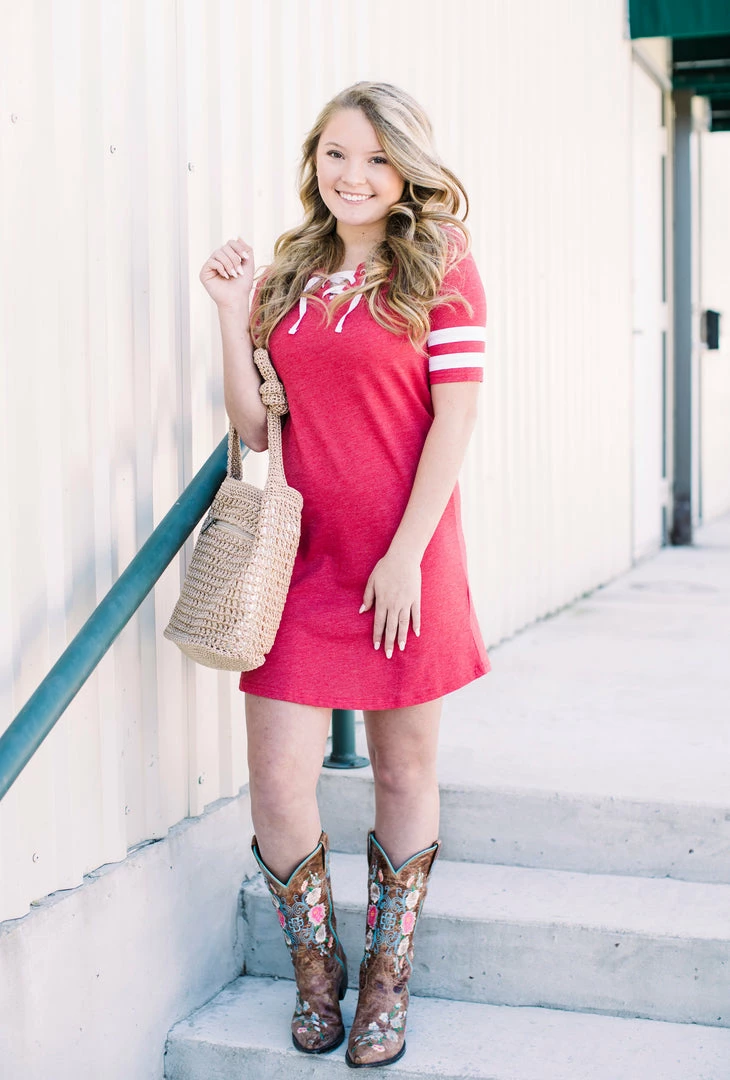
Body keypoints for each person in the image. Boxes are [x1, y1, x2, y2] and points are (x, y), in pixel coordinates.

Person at [199, 81, 490, 1069]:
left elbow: (455, 417)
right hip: (299, 565)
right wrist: (232, 314)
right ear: (313, 161)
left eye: (373, 157)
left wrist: (405, 555)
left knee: (402, 772)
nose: (352, 175)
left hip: (405, 561)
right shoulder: (293, 271)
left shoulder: (441, 263)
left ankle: (386, 984)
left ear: (406, 168)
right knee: (279, 784)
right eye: (335, 154)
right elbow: (256, 429)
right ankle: (317, 973)